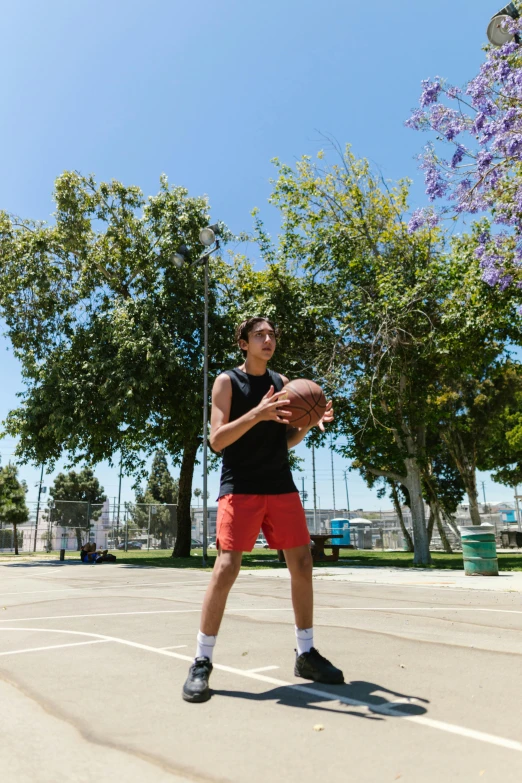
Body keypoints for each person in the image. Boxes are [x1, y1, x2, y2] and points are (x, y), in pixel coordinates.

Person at [182, 316, 344, 703]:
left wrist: (310, 420)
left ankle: (305, 653)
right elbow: (218, 440)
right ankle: (201, 661)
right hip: (240, 486)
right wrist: (257, 412)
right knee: (226, 567)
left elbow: (283, 442)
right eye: (260, 335)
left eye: (272, 334)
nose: (268, 339)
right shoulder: (227, 382)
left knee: (303, 564)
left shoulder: (284, 384)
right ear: (243, 343)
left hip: (280, 484)